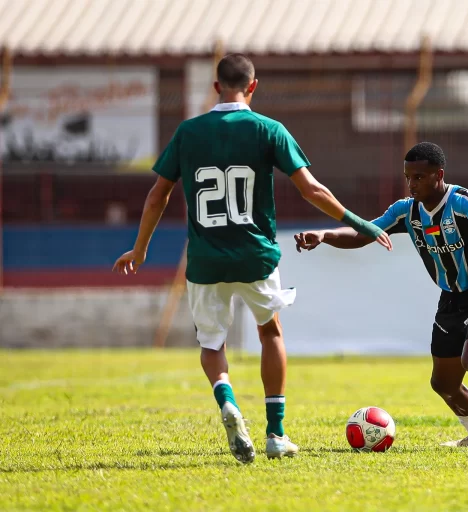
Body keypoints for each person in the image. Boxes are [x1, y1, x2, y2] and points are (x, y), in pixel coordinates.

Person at [112, 54, 392, 463]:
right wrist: (358, 221)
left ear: (215, 87)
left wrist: (140, 249)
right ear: (254, 86)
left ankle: (227, 400)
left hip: (206, 259)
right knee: (271, 333)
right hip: (256, 256)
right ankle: (276, 434)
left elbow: (158, 195)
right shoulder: (268, 130)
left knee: (212, 344)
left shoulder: (188, 132)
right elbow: (311, 189)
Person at [294, 142, 468, 448]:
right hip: (451, 301)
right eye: (408, 177)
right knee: (443, 384)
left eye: (419, 177)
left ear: (438, 175)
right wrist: (324, 236)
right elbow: (363, 234)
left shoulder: (461, 201)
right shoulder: (406, 211)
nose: (412, 183)